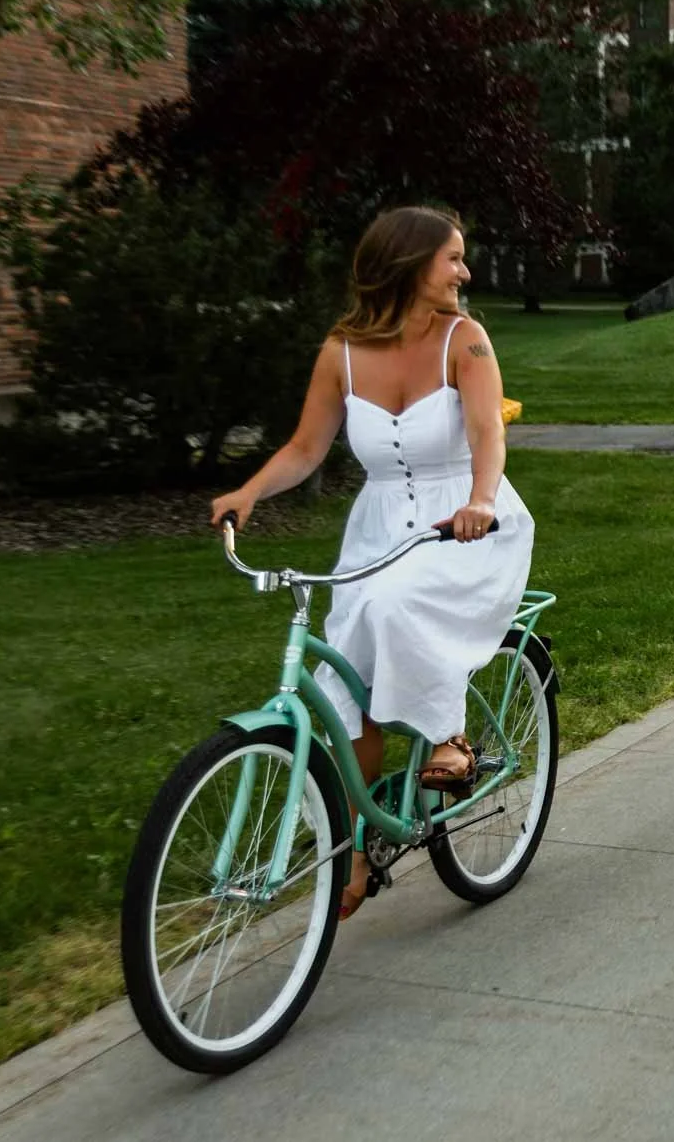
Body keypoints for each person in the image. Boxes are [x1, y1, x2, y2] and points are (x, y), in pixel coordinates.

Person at [211, 206, 535, 917]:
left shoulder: (466, 340)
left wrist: (481, 501)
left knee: (390, 607)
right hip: (380, 531)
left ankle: (448, 736)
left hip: (468, 524)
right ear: (409, 263)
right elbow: (305, 449)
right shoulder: (342, 352)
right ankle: (357, 852)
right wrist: (251, 491)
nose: (464, 271)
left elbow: (488, 435)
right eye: (452, 258)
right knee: (343, 677)